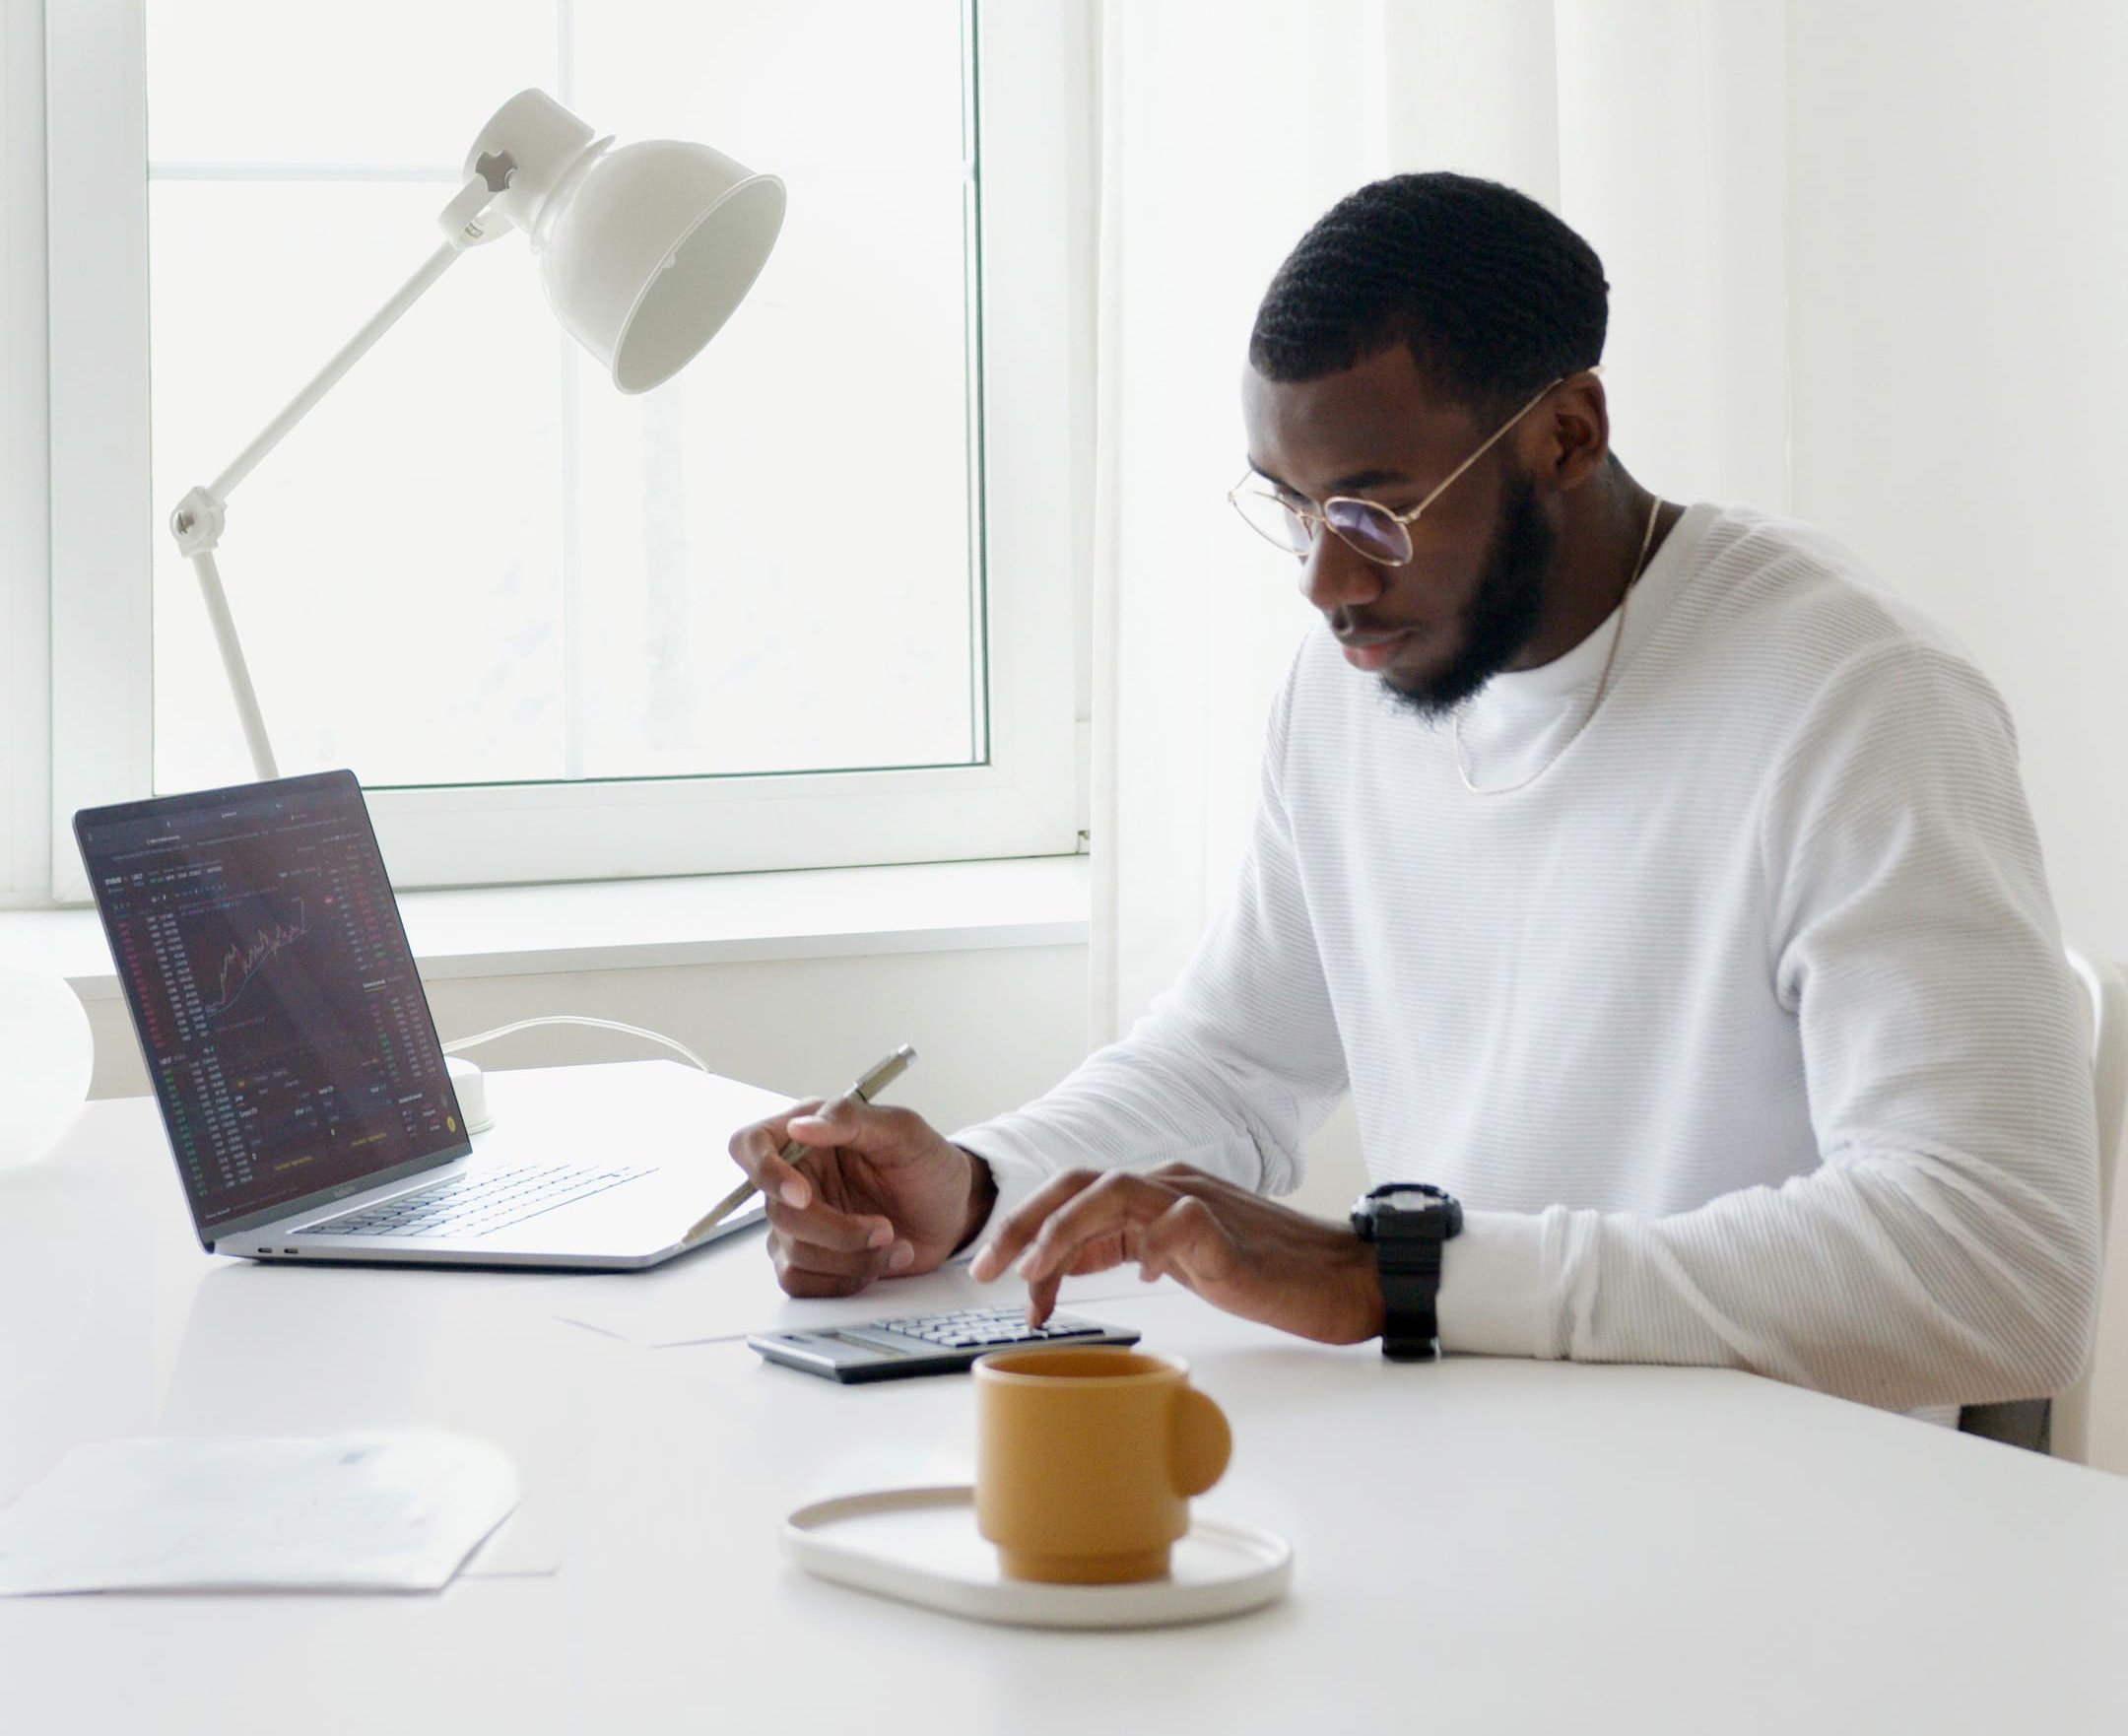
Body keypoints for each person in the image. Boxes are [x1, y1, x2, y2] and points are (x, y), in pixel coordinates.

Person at [726, 172, 2098, 1418]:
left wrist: (1407, 1276)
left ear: (1568, 431)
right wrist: (972, 1188)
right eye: (1292, 506)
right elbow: (1233, 1061)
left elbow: (1998, 1264)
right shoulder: (1355, 688)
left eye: (1376, 513)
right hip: (1472, 1462)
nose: (1326, 584)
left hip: (1775, 1545)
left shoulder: (1855, 700)